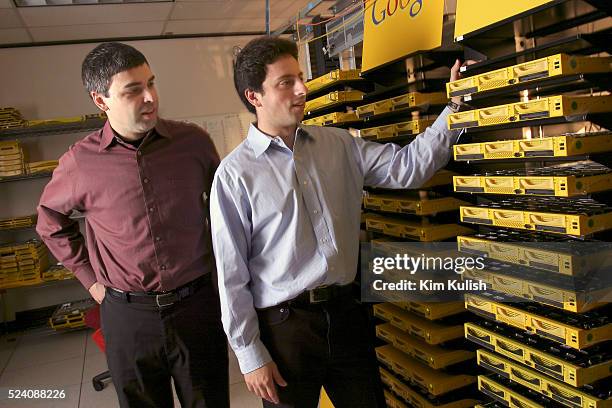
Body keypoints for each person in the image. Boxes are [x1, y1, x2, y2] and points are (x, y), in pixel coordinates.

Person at [210, 36, 467, 408]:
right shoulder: (235, 176)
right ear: (255, 97)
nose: (302, 89)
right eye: (286, 82)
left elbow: (409, 168)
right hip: (286, 330)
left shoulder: (339, 145)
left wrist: (456, 104)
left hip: (347, 315)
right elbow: (231, 275)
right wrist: (250, 355)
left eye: (300, 77)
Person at [36, 42, 229, 408]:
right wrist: (90, 279)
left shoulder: (194, 144)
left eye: (151, 83)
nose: (150, 97)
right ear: (101, 100)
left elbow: (227, 213)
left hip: (197, 306)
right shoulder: (80, 162)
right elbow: (50, 221)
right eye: (133, 90)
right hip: (128, 315)